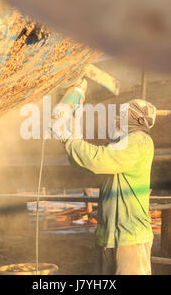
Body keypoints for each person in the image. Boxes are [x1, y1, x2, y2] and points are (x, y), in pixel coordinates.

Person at [52, 94, 157, 275]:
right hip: (108, 236)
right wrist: (74, 126)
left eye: (124, 115)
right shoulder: (119, 143)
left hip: (130, 237)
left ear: (139, 120)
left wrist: (67, 138)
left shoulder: (139, 140)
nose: (118, 118)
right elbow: (86, 162)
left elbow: (99, 159)